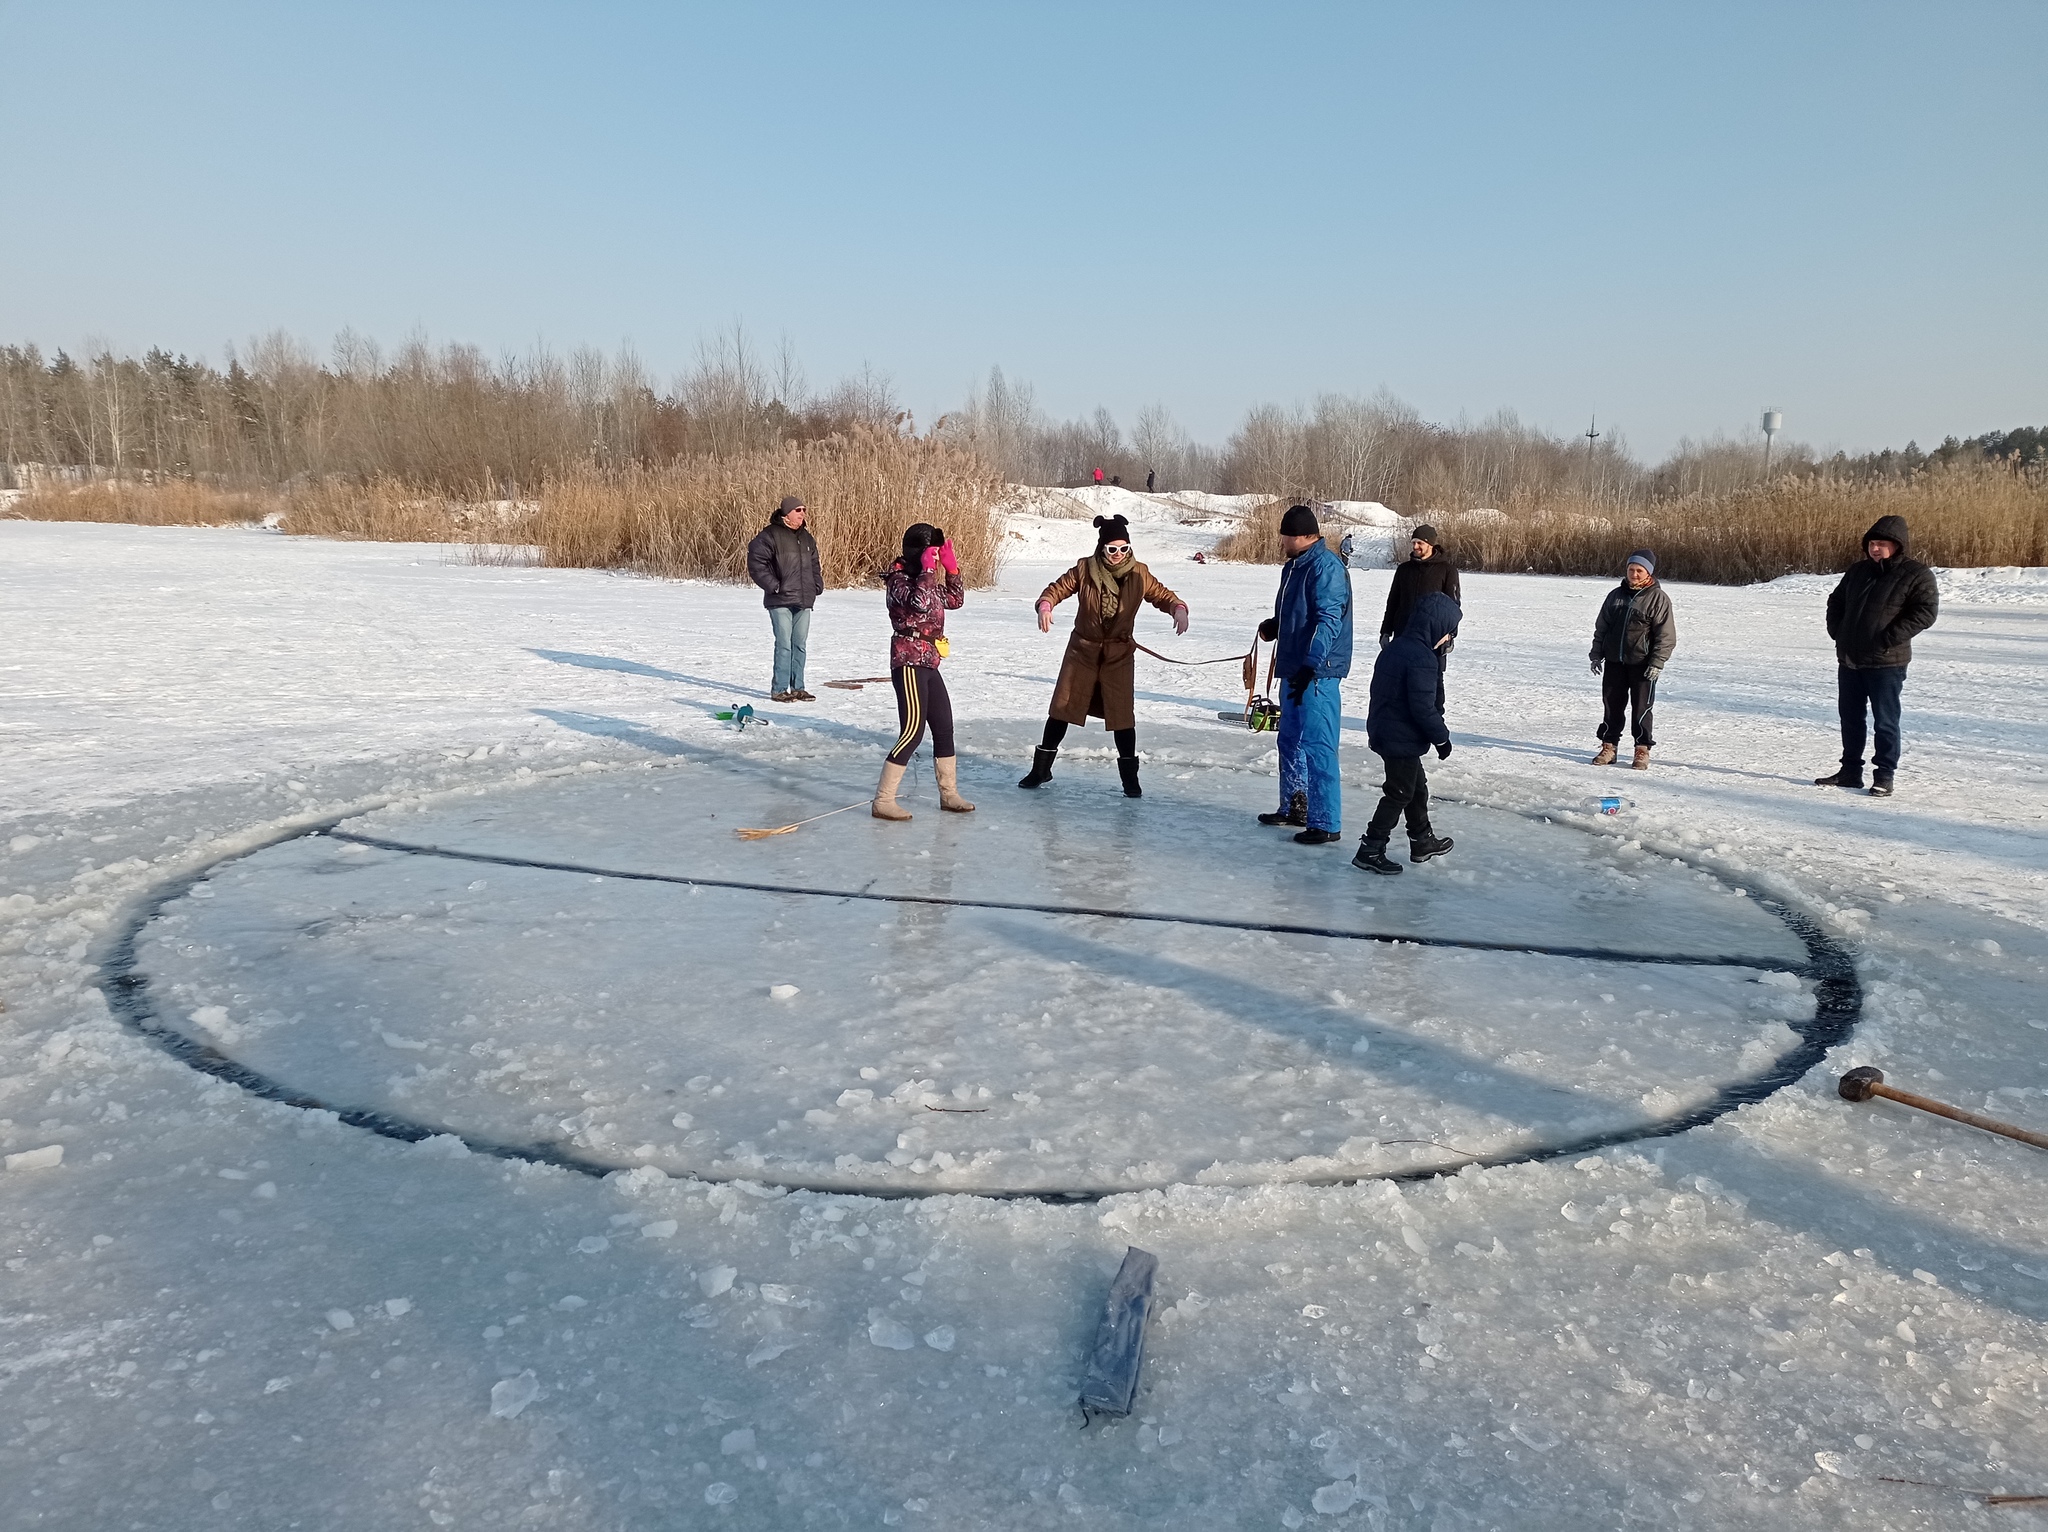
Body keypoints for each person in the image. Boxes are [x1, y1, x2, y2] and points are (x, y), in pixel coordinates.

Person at [1019, 514, 1189, 797]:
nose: (1118, 554)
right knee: (1062, 709)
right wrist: (1046, 605)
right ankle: (1041, 769)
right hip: (1082, 652)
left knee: (1123, 717)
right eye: (1112, 549)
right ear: (1102, 548)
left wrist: (1178, 608)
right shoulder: (1084, 569)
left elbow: (1163, 595)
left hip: (1118, 655)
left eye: (1124, 548)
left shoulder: (1139, 573)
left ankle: (1130, 780)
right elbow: (1056, 589)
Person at [1816, 515, 1938, 797]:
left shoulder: (1916, 574)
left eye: (1882, 544)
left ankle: (1884, 775)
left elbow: (1925, 612)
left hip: (1886, 662)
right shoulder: (1858, 571)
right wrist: (1839, 631)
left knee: (1885, 720)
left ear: (1896, 545)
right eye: (1872, 543)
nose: (1875, 549)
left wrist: (1887, 639)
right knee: (1850, 717)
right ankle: (1850, 772)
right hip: (1850, 658)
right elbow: (1836, 601)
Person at [1254, 505, 1353, 843]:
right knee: (1290, 740)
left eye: (1284, 535)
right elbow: (1296, 613)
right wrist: (1275, 626)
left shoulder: (1326, 568)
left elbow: (1328, 620)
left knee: (1318, 745)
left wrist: (1312, 664)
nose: (1280, 541)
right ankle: (1295, 806)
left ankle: (1326, 822)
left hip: (1318, 673)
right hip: (1294, 666)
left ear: (1298, 536)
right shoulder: (1294, 566)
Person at [1353, 592, 1460, 874]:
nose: (1449, 640)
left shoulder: (1396, 647)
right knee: (1399, 792)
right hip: (1400, 736)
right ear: (1437, 629)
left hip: (1387, 729)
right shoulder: (1421, 658)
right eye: (1449, 633)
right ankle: (1371, 848)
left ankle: (1422, 839)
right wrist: (1442, 738)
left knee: (1416, 788)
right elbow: (1423, 707)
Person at [874, 524, 973, 822]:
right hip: (908, 662)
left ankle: (949, 794)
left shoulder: (923, 580)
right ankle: (883, 800)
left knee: (944, 728)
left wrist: (952, 570)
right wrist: (928, 571)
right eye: (932, 553)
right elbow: (920, 603)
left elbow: (953, 601)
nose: (935, 560)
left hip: (929, 661)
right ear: (918, 553)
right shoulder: (900, 581)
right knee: (913, 731)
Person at [1589, 550, 1677, 770]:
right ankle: (1609, 747)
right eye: (1631, 569)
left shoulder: (1658, 599)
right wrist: (1596, 654)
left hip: (1643, 665)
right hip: (1614, 662)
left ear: (1648, 572)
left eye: (1639, 570)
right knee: (1612, 706)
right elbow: (1602, 627)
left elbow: (1666, 636)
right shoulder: (1615, 596)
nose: (1634, 574)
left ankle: (1642, 749)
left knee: (1641, 709)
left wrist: (1657, 662)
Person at [746, 495, 824, 701]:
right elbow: (756, 562)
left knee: (800, 644)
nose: (803, 514)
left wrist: (816, 584)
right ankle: (779, 689)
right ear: (786, 513)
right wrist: (774, 586)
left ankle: (798, 687)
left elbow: (815, 564)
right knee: (784, 644)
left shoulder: (807, 538)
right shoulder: (770, 535)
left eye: (804, 510)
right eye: (798, 510)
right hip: (780, 600)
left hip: (804, 599)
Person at [1379, 524, 1460, 712]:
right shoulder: (1404, 570)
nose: (1415, 547)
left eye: (1419, 543)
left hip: (1433, 640)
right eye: (1413, 542)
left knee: (1432, 685)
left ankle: (1435, 722)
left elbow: (1453, 606)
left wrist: (1450, 635)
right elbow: (1393, 602)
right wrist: (1385, 631)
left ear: (1430, 544)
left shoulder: (1447, 570)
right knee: (1400, 681)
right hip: (1403, 635)